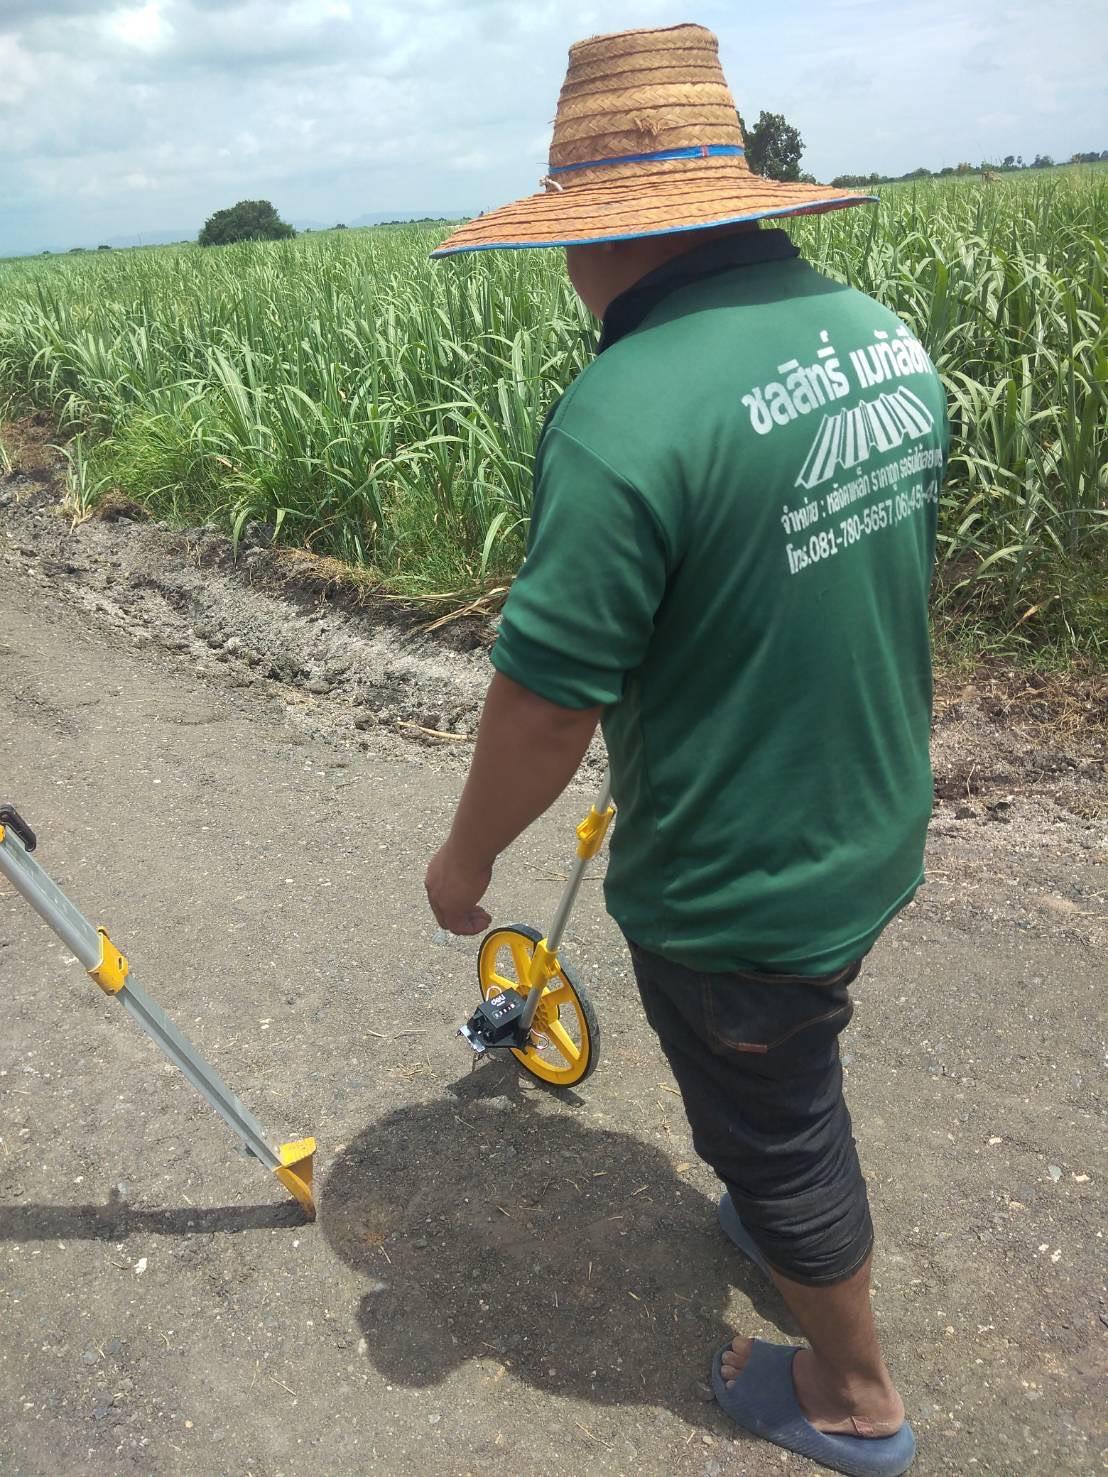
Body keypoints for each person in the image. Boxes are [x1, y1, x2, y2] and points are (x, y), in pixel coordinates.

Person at [425, 23, 948, 1477]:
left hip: (742, 880)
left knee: (777, 1115)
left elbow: (546, 696)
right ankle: (774, 1206)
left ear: (605, 239)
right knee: (783, 1075)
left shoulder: (624, 410)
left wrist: (468, 855)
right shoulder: (874, 332)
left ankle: (852, 1394)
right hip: (873, 814)